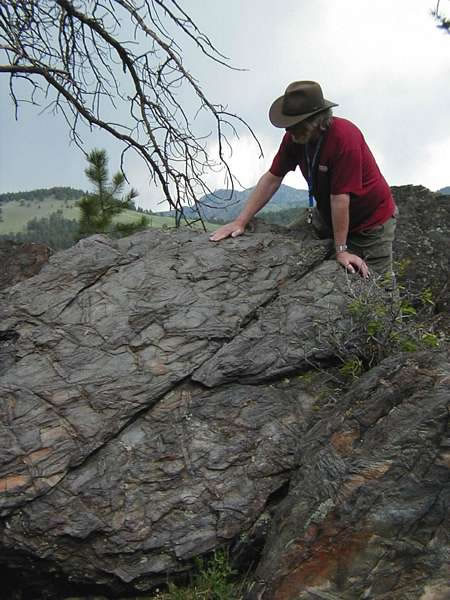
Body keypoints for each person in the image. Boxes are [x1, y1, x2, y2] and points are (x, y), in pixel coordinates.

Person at [209, 80, 397, 277]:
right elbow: (273, 178)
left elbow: (340, 198)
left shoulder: (344, 138)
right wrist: (240, 221)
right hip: (327, 215)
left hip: (370, 224)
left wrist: (341, 250)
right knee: (289, 253)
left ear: (317, 121)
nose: (287, 131)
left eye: (295, 125)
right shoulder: (295, 137)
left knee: (376, 283)